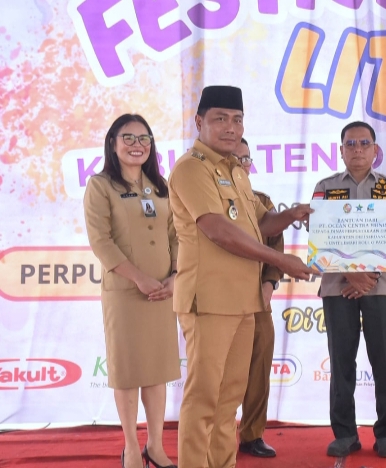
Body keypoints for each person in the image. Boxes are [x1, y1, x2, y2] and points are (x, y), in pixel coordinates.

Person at [168, 85, 314, 468]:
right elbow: (218, 230)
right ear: (199, 121)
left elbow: (259, 225)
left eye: (237, 119)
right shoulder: (192, 168)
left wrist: (293, 214)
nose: (231, 127)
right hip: (209, 301)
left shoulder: (236, 170)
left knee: (229, 398)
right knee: (204, 397)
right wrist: (280, 261)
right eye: (220, 119)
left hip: (243, 301)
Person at [83, 114, 179, 468]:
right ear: (113, 143)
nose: (137, 145)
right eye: (129, 138)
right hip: (125, 293)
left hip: (163, 293)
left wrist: (175, 276)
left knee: (157, 370)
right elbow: (101, 241)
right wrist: (138, 278)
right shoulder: (100, 185)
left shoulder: (160, 185)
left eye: (144, 138)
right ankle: (131, 448)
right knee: (127, 372)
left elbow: (176, 236)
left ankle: (156, 446)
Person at [312, 121, 386, 459]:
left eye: (364, 143)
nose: (357, 150)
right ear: (341, 151)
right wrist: (350, 275)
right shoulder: (325, 188)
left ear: (375, 150)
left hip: (381, 285)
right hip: (338, 286)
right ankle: (345, 433)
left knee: (384, 360)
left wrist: (367, 276)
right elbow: (320, 238)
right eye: (350, 144)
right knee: (340, 361)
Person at [234, 138, 284, 458]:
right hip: (221, 299)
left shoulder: (262, 202)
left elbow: (276, 245)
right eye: (234, 158)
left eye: (245, 159)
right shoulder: (208, 199)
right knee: (223, 374)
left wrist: (269, 284)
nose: (241, 164)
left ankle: (252, 434)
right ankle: (216, 434)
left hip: (258, 299)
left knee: (259, 368)